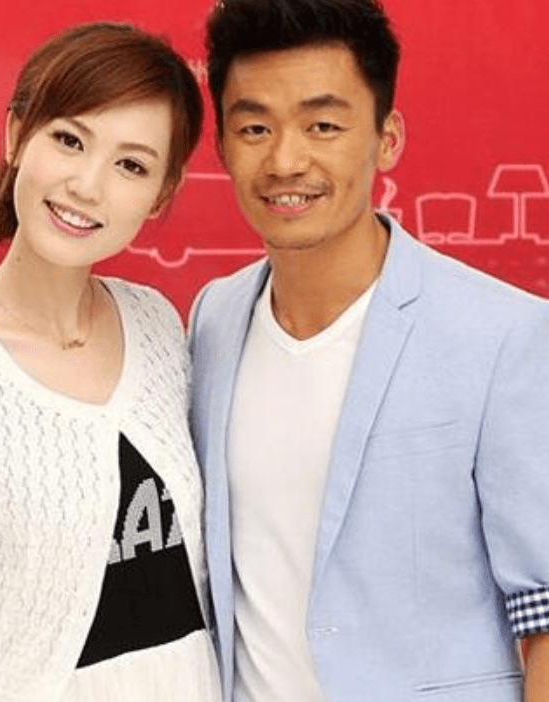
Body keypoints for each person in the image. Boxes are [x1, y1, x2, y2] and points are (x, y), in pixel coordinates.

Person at [188, 0, 549, 700]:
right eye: (255, 127)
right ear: (223, 147)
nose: (285, 160)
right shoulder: (212, 320)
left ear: (387, 139)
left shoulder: (502, 336)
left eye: (322, 125)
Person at [0, 22, 221, 702]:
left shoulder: (156, 326)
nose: (87, 185)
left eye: (131, 165)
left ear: (161, 193)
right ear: (15, 136)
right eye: (69, 140)